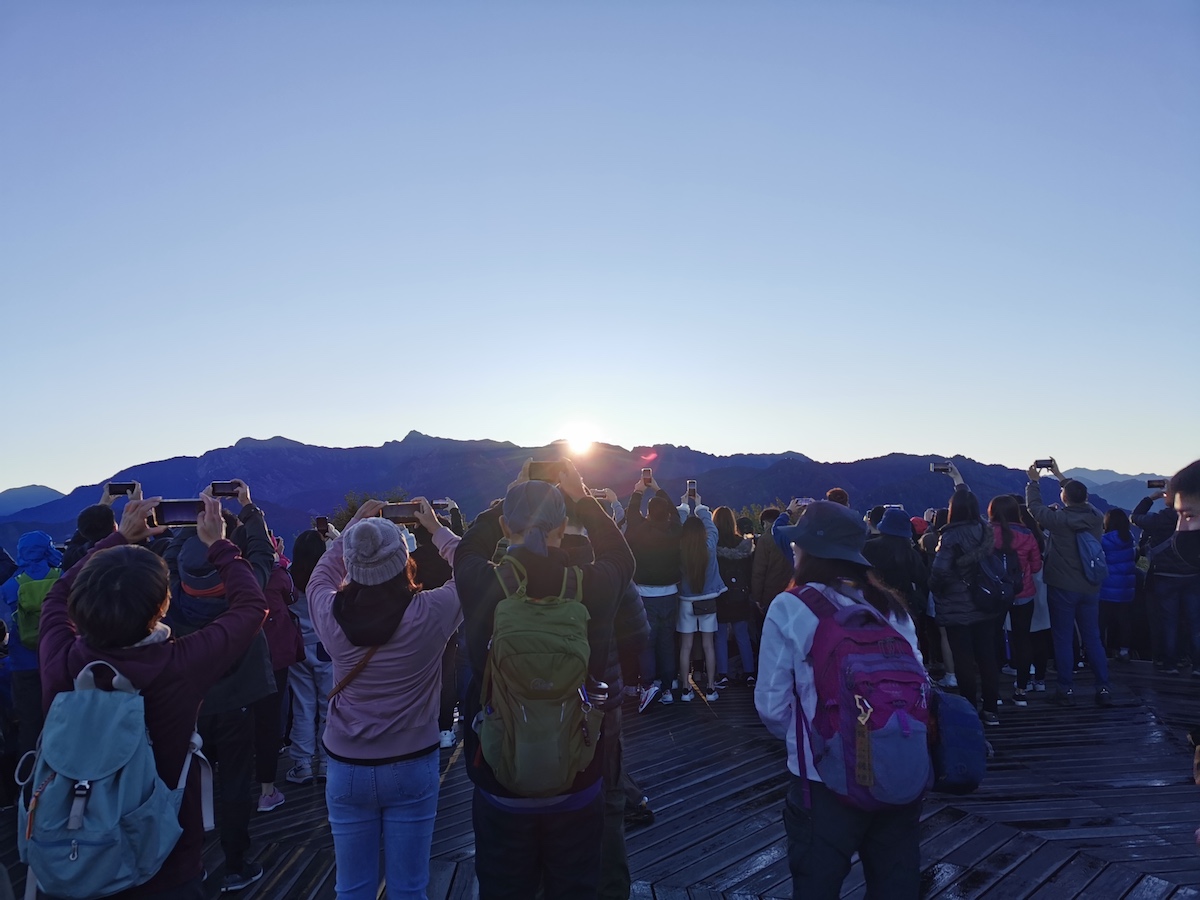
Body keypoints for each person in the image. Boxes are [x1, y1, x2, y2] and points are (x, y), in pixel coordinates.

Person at [38, 494, 268, 899]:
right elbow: (251, 608)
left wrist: (117, 538)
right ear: (163, 605)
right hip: (164, 864)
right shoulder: (177, 664)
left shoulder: (61, 658)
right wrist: (221, 545)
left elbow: (57, 594)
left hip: (70, 857)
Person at [453, 460, 634, 900]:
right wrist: (583, 498)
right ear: (563, 525)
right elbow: (622, 558)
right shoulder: (591, 584)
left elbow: (466, 551)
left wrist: (508, 494)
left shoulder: (484, 583)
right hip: (578, 770)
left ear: (503, 525)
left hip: (499, 777)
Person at [756, 500, 924, 900]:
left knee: (817, 885)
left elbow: (772, 706)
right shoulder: (891, 608)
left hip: (823, 777)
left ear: (810, 551)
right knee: (894, 886)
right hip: (898, 769)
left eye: (797, 545)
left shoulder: (791, 606)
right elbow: (920, 680)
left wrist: (815, 740)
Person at [307, 497, 462, 900]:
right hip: (413, 763)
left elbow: (318, 577)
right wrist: (437, 529)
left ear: (353, 566)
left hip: (346, 766)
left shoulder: (328, 612)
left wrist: (356, 528)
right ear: (403, 562)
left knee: (352, 889)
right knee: (410, 889)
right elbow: (474, 574)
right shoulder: (431, 612)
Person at [163, 480, 277, 891]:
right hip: (239, 700)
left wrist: (192, 520)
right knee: (234, 781)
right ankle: (235, 862)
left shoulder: (171, 593)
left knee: (184, 780)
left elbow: (175, 554)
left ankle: (187, 860)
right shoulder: (245, 589)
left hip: (188, 703)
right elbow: (263, 551)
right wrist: (248, 507)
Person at [1025, 460, 1113, 707]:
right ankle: (1103, 686)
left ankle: (1066, 689)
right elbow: (1080, 499)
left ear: (1064, 498)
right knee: (1092, 637)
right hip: (1090, 586)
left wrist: (1033, 481)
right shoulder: (1095, 517)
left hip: (1062, 586)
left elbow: (1034, 507)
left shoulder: (1057, 520)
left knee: (1063, 638)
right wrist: (1059, 475)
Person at [929, 488, 1001, 724]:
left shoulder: (950, 536)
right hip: (985, 600)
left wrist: (935, 586)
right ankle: (991, 709)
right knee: (987, 657)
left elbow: (940, 571)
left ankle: (970, 708)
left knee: (963, 659)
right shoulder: (984, 530)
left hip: (957, 605)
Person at [252, 535, 305, 813]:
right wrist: (279, 561)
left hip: (242, 653)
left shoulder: (234, 575)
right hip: (276, 655)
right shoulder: (278, 575)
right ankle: (267, 790)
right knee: (270, 720)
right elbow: (293, 596)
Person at [0, 531, 63, 757]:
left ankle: (29, 773)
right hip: (59, 657)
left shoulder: (12, 584)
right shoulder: (64, 576)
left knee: (30, 721)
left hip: (23, 660)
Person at [623, 474, 682, 710]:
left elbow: (630, 516)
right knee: (667, 641)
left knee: (647, 642)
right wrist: (658, 489)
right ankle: (667, 687)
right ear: (666, 513)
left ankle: (648, 685)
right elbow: (677, 515)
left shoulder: (639, 531)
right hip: (670, 594)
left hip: (645, 595)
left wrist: (638, 491)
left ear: (648, 513)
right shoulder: (674, 531)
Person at [1133, 481, 1200, 674]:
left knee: (1169, 622)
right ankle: (1197, 666)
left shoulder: (1162, 518)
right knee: (1195, 623)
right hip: (1192, 575)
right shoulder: (1195, 516)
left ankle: (1170, 664)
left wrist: (1151, 498)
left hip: (1165, 576)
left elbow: (1135, 517)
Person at [285, 529, 332, 786]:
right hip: (326, 646)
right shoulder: (326, 577)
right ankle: (326, 761)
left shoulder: (289, 577)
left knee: (302, 704)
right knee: (328, 705)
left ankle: (302, 763)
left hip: (298, 648)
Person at [987, 495, 1043, 705]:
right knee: (1023, 639)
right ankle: (1021, 690)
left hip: (994, 593)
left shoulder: (986, 533)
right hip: (1022, 591)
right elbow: (1036, 566)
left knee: (991, 640)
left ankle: (993, 692)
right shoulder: (1027, 534)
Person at [676, 494, 725, 702]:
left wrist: (684, 507)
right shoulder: (710, 545)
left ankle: (686, 689)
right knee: (708, 645)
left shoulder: (679, 547)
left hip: (686, 600)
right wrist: (700, 506)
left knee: (685, 646)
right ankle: (711, 689)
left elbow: (677, 527)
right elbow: (712, 527)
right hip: (708, 599)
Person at [712, 506, 756, 687]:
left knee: (720, 635)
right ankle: (750, 674)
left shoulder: (712, 545)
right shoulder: (744, 546)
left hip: (719, 595)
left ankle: (722, 674)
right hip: (741, 595)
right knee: (742, 635)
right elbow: (751, 572)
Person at [1099, 509, 1137, 663]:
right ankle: (1124, 650)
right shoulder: (1129, 538)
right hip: (1126, 589)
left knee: (1101, 622)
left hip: (1106, 589)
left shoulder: (1104, 541)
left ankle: (1100, 651)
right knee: (1124, 621)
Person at [751, 507, 792, 616]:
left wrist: (757, 597)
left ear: (765, 522)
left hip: (771, 593)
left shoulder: (765, 540)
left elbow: (759, 571)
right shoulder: (791, 535)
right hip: (791, 590)